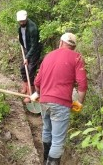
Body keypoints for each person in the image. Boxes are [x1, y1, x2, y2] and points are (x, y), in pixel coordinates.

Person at [32, 33, 88, 165]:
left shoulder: (48, 56)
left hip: (44, 101)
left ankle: (45, 159)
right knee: (57, 140)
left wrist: (38, 94)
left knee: (47, 129)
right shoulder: (77, 57)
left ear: (61, 42)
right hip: (61, 103)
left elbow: (37, 81)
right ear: (73, 47)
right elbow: (83, 84)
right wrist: (79, 102)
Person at [16, 10, 41, 97]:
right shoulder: (20, 26)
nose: (21, 22)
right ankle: (25, 86)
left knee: (30, 71)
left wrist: (27, 57)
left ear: (26, 18)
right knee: (23, 68)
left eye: (23, 21)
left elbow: (34, 46)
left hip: (34, 51)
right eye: (20, 21)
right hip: (27, 49)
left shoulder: (32, 28)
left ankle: (30, 92)